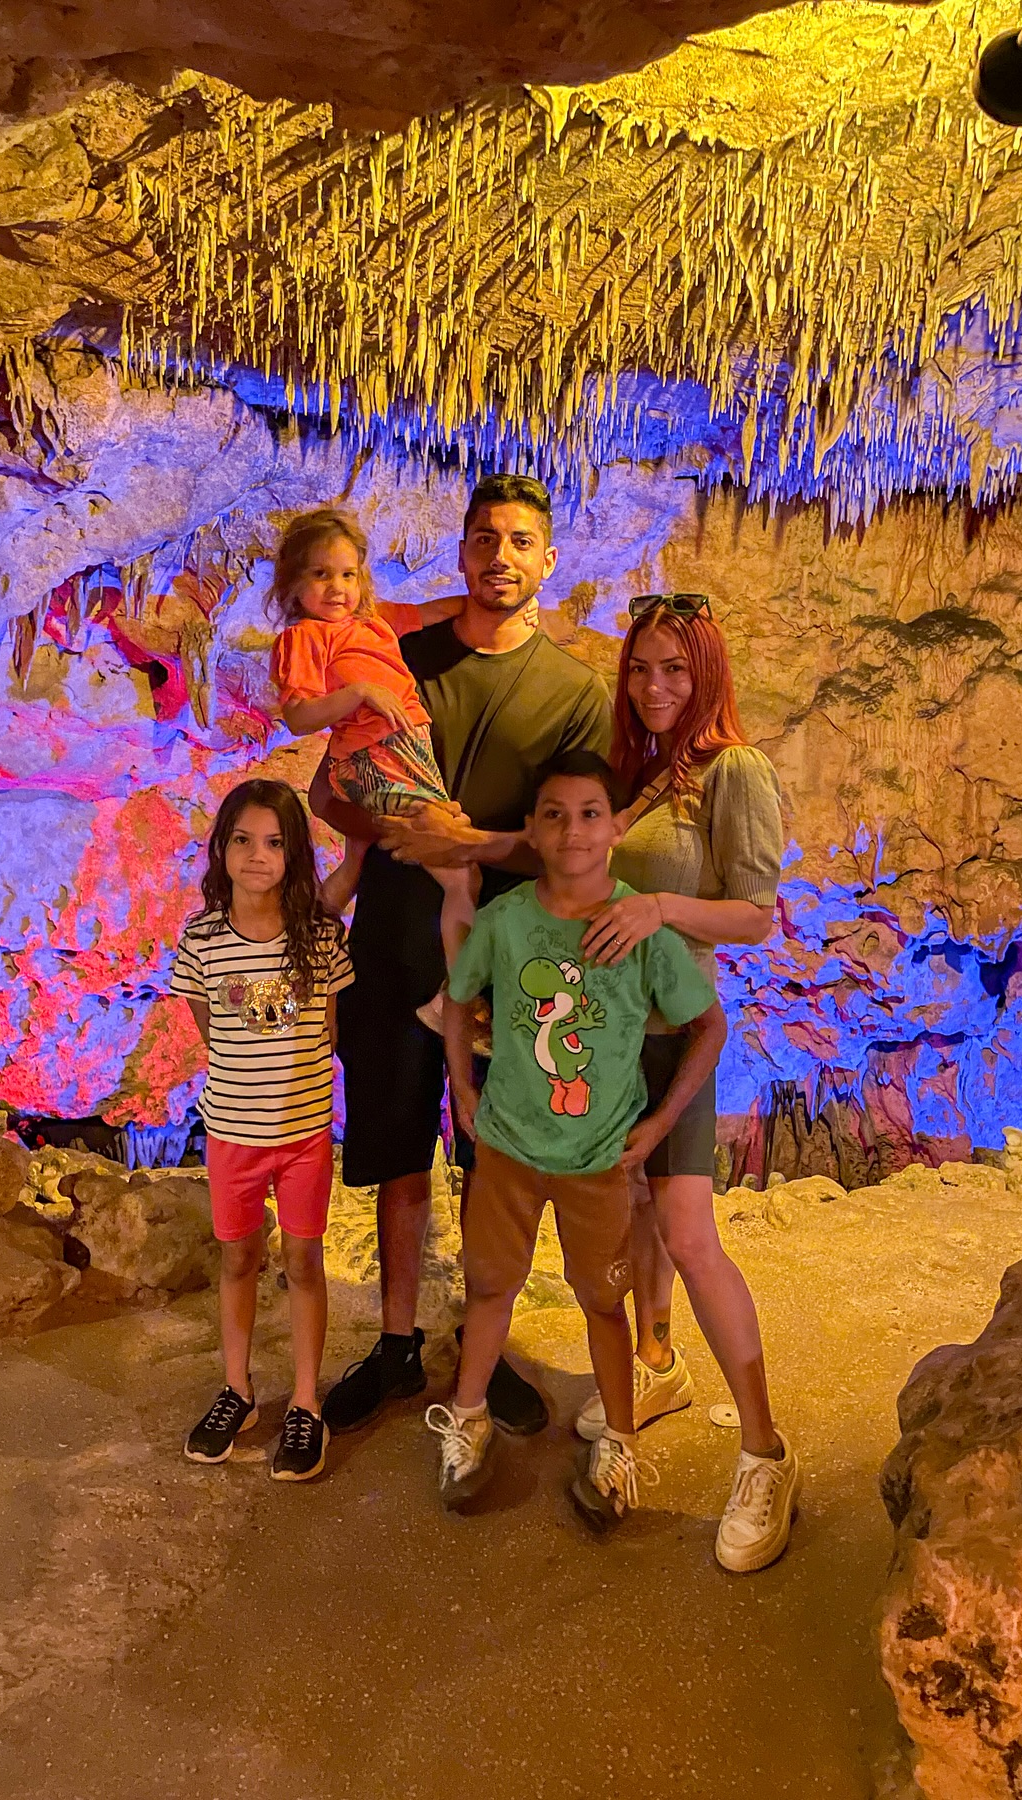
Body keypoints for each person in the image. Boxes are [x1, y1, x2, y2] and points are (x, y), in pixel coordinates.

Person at [310, 473, 613, 1438]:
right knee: (398, 1143)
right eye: (486, 539)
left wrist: (470, 846)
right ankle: (399, 1344)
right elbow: (332, 795)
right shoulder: (399, 662)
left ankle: (491, 1337)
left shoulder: (572, 693)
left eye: (521, 541)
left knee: (495, 1153)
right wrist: (410, 830)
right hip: (396, 938)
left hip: (514, 958)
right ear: (461, 553)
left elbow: (575, 841)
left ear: (548, 560)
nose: (501, 557)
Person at [433, 751, 726, 1528]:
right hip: (508, 1148)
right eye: (554, 814)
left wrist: (661, 1123)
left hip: (598, 1156)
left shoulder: (640, 928)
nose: (572, 830)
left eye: (590, 813)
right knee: (492, 1283)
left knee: (604, 1298)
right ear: (531, 828)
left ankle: (620, 1443)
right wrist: (463, 1087)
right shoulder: (504, 923)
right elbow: (459, 1000)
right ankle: (467, 1421)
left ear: (613, 826)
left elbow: (708, 1024)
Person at [575, 590, 799, 1572]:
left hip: (676, 1035)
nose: (655, 685)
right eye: (640, 667)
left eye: (674, 667)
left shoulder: (733, 772)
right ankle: (656, 1363)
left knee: (693, 1234)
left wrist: (662, 904)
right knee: (629, 1215)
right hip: (609, 1037)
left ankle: (765, 1452)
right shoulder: (638, 773)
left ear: (705, 671)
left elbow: (755, 916)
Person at [171, 778, 353, 1482]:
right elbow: (210, 1028)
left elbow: (330, 1031)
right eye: (242, 840)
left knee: (304, 1263)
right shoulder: (203, 940)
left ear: (294, 854)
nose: (257, 856)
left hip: (305, 1135)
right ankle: (239, 1390)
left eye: (274, 843)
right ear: (221, 848)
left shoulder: (318, 939)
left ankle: (306, 1402)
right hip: (232, 1137)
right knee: (239, 1259)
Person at [268, 507, 477, 982]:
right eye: (320, 574)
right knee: (460, 871)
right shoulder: (305, 635)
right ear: (294, 585)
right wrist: (359, 693)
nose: (337, 587)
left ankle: (296, 954)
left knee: (359, 858)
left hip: (404, 752)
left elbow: (433, 612)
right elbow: (299, 717)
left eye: (347, 574)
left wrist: (490, 602)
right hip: (374, 757)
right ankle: (462, 991)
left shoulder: (373, 623)